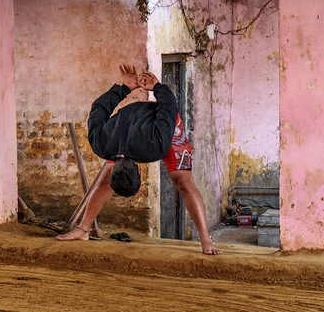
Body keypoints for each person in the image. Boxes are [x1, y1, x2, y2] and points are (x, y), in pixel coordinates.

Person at [56, 64, 221, 255]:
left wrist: (158, 87)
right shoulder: (101, 144)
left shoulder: (155, 145)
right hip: (128, 127)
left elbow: (168, 108)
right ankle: (83, 230)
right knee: (104, 182)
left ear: (141, 170)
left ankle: (206, 239)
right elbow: (98, 108)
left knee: (183, 181)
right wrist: (124, 88)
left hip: (162, 124)